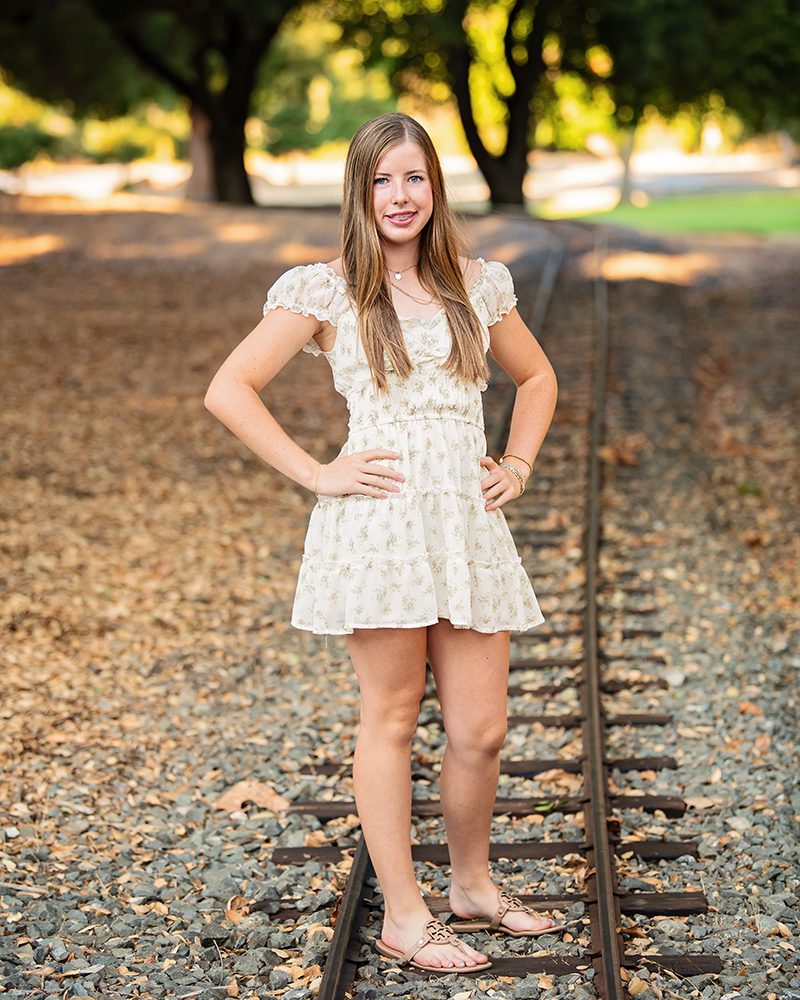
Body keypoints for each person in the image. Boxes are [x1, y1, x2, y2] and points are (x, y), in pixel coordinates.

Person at [204, 112, 562, 975]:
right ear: (359, 193)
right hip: (382, 523)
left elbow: (539, 376)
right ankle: (406, 914)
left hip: (466, 523)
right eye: (382, 180)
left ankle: (472, 885)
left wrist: (516, 462)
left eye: (414, 178)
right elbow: (230, 388)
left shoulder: (480, 284)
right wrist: (317, 472)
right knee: (393, 719)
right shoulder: (325, 291)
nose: (399, 197)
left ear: (435, 188)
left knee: (482, 730)